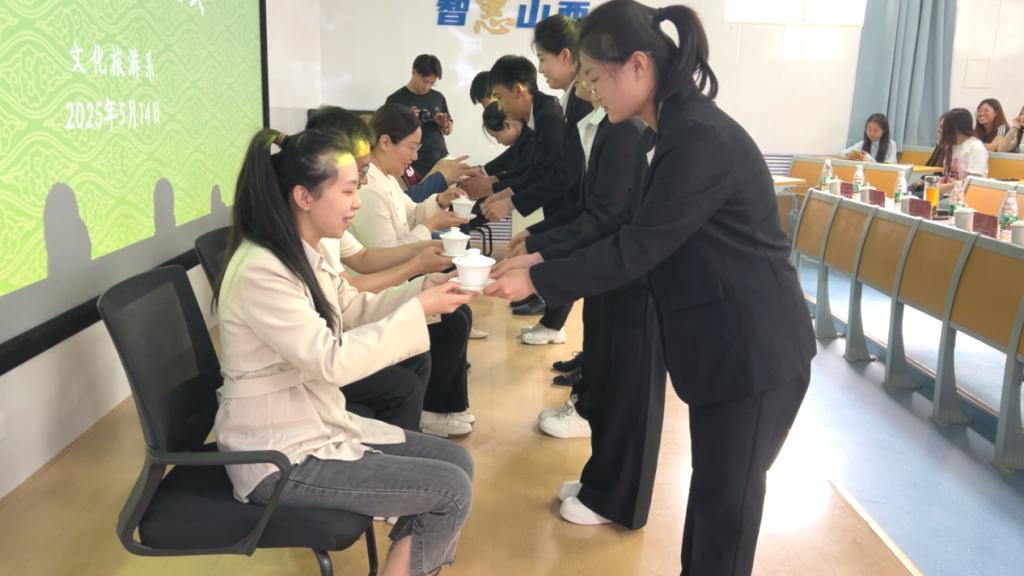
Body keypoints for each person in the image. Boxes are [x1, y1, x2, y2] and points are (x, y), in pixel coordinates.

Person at [485, 2, 815, 573]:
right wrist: (541, 255)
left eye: (594, 75)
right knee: (715, 496)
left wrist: (538, 278)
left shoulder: (699, 139)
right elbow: (624, 225)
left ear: (637, 65)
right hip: (723, 344)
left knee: (725, 507)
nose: (590, 90)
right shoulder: (666, 133)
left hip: (755, 350)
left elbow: (637, 248)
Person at [214, 127, 474, 576]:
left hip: (309, 425)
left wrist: (423, 291)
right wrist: (418, 308)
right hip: (276, 456)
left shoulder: (300, 253)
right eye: (349, 190)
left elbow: (351, 308)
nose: (357, 202)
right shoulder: (263, 270)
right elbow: (331, 362)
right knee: (450, 489)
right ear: (304, 197)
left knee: (456, 461)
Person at [385, 54, 453, 177]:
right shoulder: (395, 100)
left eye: (432, 83)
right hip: (411, 164)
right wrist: (407, 118)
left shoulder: (438, 97)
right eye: (425, 81)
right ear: (414, 72)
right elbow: (389, 136)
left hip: (440, 160)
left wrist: (444, 124)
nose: (427, 86)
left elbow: (448, 131)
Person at [940, 108, 989, 193]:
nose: (941, 130)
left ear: (955, 128)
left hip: (966, 195)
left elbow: (974, 180)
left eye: (944, 126)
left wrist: (945, 187)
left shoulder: (976, 147)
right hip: (948, 193)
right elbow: (948, 175)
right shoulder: (950, 145)